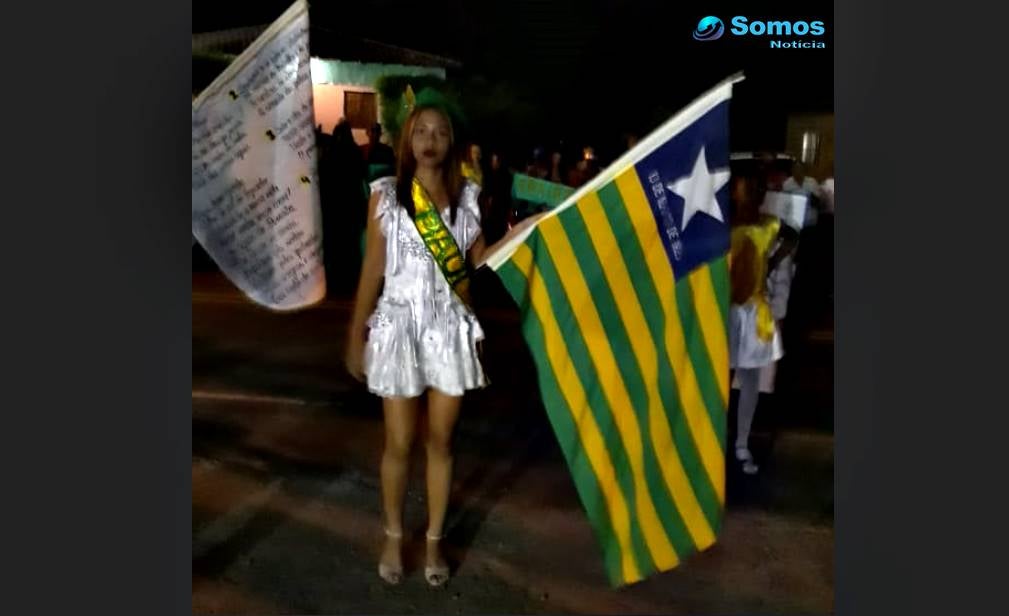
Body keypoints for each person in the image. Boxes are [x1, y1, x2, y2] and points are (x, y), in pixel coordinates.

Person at [345, 104, 540, 587]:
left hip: (448, 328)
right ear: (408, 140)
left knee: (442, 441)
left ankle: (433, 541)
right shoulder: (387, 197)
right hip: (399, 326)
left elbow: (476, 263)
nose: (430, 139)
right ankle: (393, 535)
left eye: (440, 132)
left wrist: (522, 236)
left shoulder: (467, 197)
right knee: (400, 442)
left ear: (451, 142)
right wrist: (355, 334)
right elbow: (373, 267)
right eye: (421, 131)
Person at [728, 174, 798, 475]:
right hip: (726, 310)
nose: (751, 195)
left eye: (755, 190)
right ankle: (714, 440)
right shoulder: (725, 224)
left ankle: (742, 443)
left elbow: (793, 236)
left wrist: (773, 259)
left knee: (750, 383)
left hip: (754, 312)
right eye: (746, 189)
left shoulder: (769, 224)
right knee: (720, 379)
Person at [782, 161, 824, 228]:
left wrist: (810, 197)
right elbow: (784, 204)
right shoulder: (787, 183)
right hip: (793, 220)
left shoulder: (812, 182)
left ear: (804, 170)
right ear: (792, 170)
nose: (797, 171)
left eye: (800, 169)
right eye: (795, 169)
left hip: (809, 221)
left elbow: (819, 203)